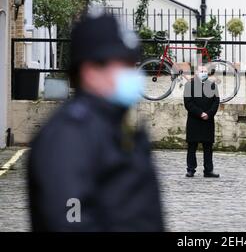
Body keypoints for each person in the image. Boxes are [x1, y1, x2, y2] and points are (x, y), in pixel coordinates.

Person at [28, 13, 164, 232]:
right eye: (124, 65)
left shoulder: (117, 122)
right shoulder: (68, 135)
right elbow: (69, 219)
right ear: (90, 71)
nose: (134, 74)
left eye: (133, 64)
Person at [183, 65, 220, 178]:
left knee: (208, 147)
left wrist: (208, 113)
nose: (203, 72)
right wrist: (200, 113)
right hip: (194, 120)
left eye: (205, 71)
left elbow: (216, 101)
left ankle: (208, 170)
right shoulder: (189, 85)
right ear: (197, 73)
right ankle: (191, 169)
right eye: (201, 71)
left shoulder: (213, 85)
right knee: (192, 147)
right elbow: (188, 103)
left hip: (208, 121)